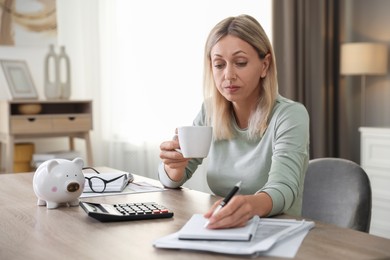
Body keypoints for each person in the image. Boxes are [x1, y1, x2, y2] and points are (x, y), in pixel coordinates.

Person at [158, 14, 310, 229]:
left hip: (274, 230)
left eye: (240, 63)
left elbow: (284, 188)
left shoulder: (290, 115)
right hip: (224, 228)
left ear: (264, 65)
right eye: (219, 65)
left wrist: (248, 205)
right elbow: (176, 176)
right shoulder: (209, 111)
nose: (228, 75)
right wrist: (173, 168)